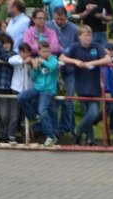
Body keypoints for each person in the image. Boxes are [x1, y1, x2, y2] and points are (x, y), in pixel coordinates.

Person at [60, 24, 109, 145]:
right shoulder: (75, 47)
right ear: (80, 36)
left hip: (94, 86)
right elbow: (62, 57)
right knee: (87, 113)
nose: (88, 38)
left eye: (90, 35)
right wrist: (75, 61)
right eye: (85, 35)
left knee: (92, 113)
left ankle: (77, 131)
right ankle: (90, 139)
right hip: (81, 85)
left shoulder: (96, 47)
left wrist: (93, 62)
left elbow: (107, 59)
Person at [17, 38, 59, 146]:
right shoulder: (37, 60)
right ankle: (33, 117)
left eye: (47, 51)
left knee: (42, 110)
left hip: (48, 90)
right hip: (37, 88)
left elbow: (53, 66)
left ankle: (51, 136)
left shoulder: (53, 59)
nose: (46, 54)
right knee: (21, 97)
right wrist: (35, 68)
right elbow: (34, 77)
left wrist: (42, 61)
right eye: (43, 52)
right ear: (39, 52)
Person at [47, 7, 78, 139]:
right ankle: (54, 128)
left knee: (68, 99)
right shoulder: (48, 26)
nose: (59, 22)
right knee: (53, 101)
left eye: (62, 19)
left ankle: (66, 127)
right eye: (57, 19)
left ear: (67, 17)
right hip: (53, 70)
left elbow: (77, 46)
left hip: (69, 69)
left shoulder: (73, 29)